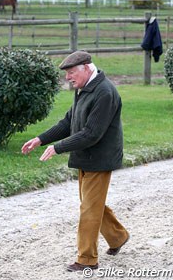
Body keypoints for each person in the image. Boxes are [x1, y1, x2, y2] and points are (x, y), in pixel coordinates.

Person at [21, 50, 129, 272]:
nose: (68, 78)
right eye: (67, 74)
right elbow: (68, 121)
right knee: (92, 204)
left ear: (87, 68)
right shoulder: (84, 88)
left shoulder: (105, 93)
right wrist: (40, 139)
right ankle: (118, 237)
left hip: (100, 159)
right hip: (85, 157)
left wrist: (57, 147)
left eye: (71, 73)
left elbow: (91, 134)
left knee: (89, 209)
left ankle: (87, 259)